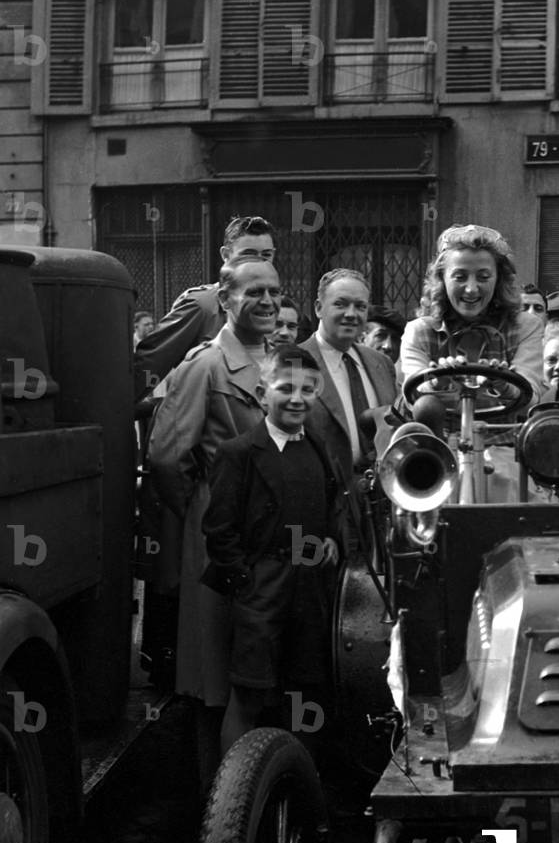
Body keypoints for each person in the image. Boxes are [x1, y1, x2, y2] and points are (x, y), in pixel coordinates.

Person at [147, 258, 281, 784]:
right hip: (220, 537)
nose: (267, 301)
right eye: (253, 292)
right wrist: (205, 510)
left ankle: (263, 792)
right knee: (216, 676)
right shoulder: (204, 365)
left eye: (273, 291)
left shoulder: (279, 360)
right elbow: (165, 458)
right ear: (225, 300)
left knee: (258, 665)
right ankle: (218, 807)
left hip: (270, 535)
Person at [201, 346, 341, 756]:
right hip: (262, 591)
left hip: (309, 589)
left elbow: (331, 501)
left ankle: (300, 784)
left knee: (303, 689)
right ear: (263, 393)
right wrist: (246, 583)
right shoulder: (239, 453)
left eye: (308, 389)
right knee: (249, 693)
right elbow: (219, 529)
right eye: (285, 388)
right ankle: (234, 796)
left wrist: (331, 539)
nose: (297, 398)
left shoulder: (316, 446)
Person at [400, 224, 544, 500]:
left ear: (498, 279)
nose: (471, 288)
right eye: (460, 276)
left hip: (503, 449)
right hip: (438, 449)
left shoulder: (525, 326)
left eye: (483, 276)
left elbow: (531, 394)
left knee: (508, 485)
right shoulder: (420, 330)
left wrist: (503, 383)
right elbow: (414, 394)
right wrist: (437, 383)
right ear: (442, 280)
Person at [300, 269, 398, 554]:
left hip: (380, 507)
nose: (351, 314)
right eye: (340, 304)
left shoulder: (380, 363)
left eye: (360, 306)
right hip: (322, 513)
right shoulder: (294, 363)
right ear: (319, 308)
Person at [134, 215, 276, 401]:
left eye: (266, 255)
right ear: (225, 255)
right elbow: (149, 366)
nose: (258, 263)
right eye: (248, 255)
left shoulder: (273, 305)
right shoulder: (203, 305)